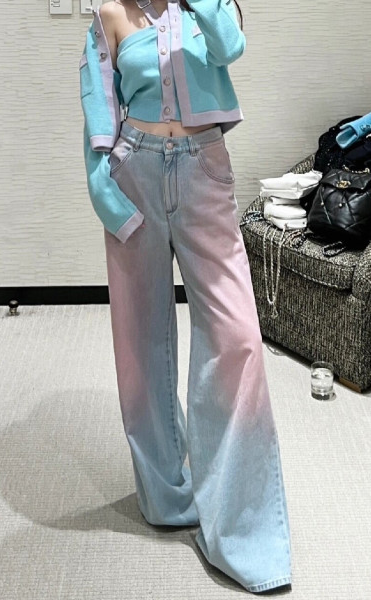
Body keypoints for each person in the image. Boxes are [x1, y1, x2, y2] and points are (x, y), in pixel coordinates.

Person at [80, 0, 292, 593]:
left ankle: (243, 532)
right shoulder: (110, 13)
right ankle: (169, 498)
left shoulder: (209, 10)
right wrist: (111, 203)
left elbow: (231, 47)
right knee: (141, 345)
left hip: (204, 170)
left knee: (237, 340)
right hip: (135, 172)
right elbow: (97, 112)